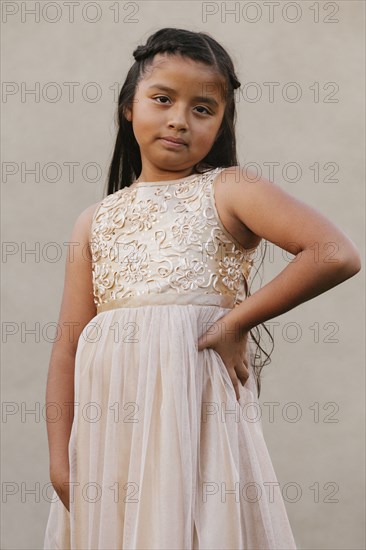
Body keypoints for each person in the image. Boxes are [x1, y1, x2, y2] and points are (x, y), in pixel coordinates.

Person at [43, 27, 361, 550]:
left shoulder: (230, 189)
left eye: (203, 108)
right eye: (163, 99)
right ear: (129, 106)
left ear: (221, 123)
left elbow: (335, 252)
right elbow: (67, 346)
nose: (179, 120)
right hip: (110, 434)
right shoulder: (94, 221)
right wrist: (61, 458)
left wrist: (237, 320)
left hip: (195, 421)